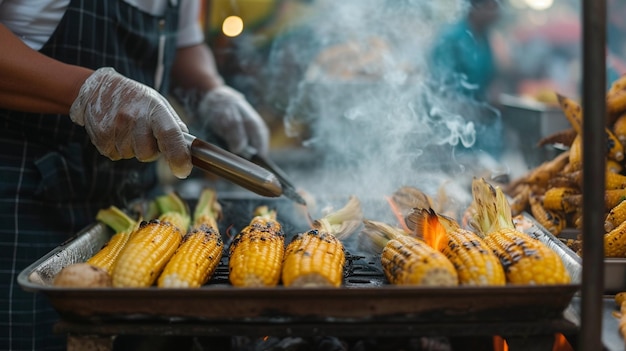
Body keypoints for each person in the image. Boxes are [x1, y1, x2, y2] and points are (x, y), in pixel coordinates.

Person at [0, 0, 270, 350]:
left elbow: (185, 42)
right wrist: (88, 91)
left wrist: (211, 90)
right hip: (24, 194)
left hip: (135, 199)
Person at [429, 0, 503, 160]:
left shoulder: (484, 37)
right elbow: (442, 89)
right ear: (475, 8)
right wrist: (474, 109)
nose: (498, 10)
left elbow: (490, 76)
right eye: (492, 5)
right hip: (453, 129)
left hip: (480, 129)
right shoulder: (450, 39)